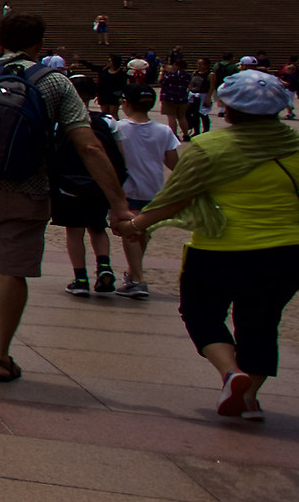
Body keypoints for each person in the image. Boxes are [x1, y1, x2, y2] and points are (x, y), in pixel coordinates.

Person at [0, 12, 134, 383]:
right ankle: (1, 355)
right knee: (11, 270)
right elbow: (88, 145)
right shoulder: (55, 82)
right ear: (39, 45)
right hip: (29, 188)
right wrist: (119, 204)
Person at [121, 70, 299, 420]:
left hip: (219, 251)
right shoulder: (294, 147)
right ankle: (249, 398)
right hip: (286, 252)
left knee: (200, 312)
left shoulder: (209, 147)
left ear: (227, 108)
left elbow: (177, 197)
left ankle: (231, 373)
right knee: (262, 321)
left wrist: (135, 225)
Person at [50, 74, 128, 299]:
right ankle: (104, 266)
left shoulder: (59, 123)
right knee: (97, 226)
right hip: (99, 184)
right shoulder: (108, 121)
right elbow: (119, 156)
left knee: (74, 231)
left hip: (69, 186)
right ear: (93, 96)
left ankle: (80, 278)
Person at [112, 85, 178, 300]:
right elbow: (173, 162)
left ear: (126, 103)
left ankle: (138, 279)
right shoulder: (164, 131)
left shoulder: (118, 128)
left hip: (128, 189)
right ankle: (133, 274)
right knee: (143, 234)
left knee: (130, 233)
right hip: (154, 190)